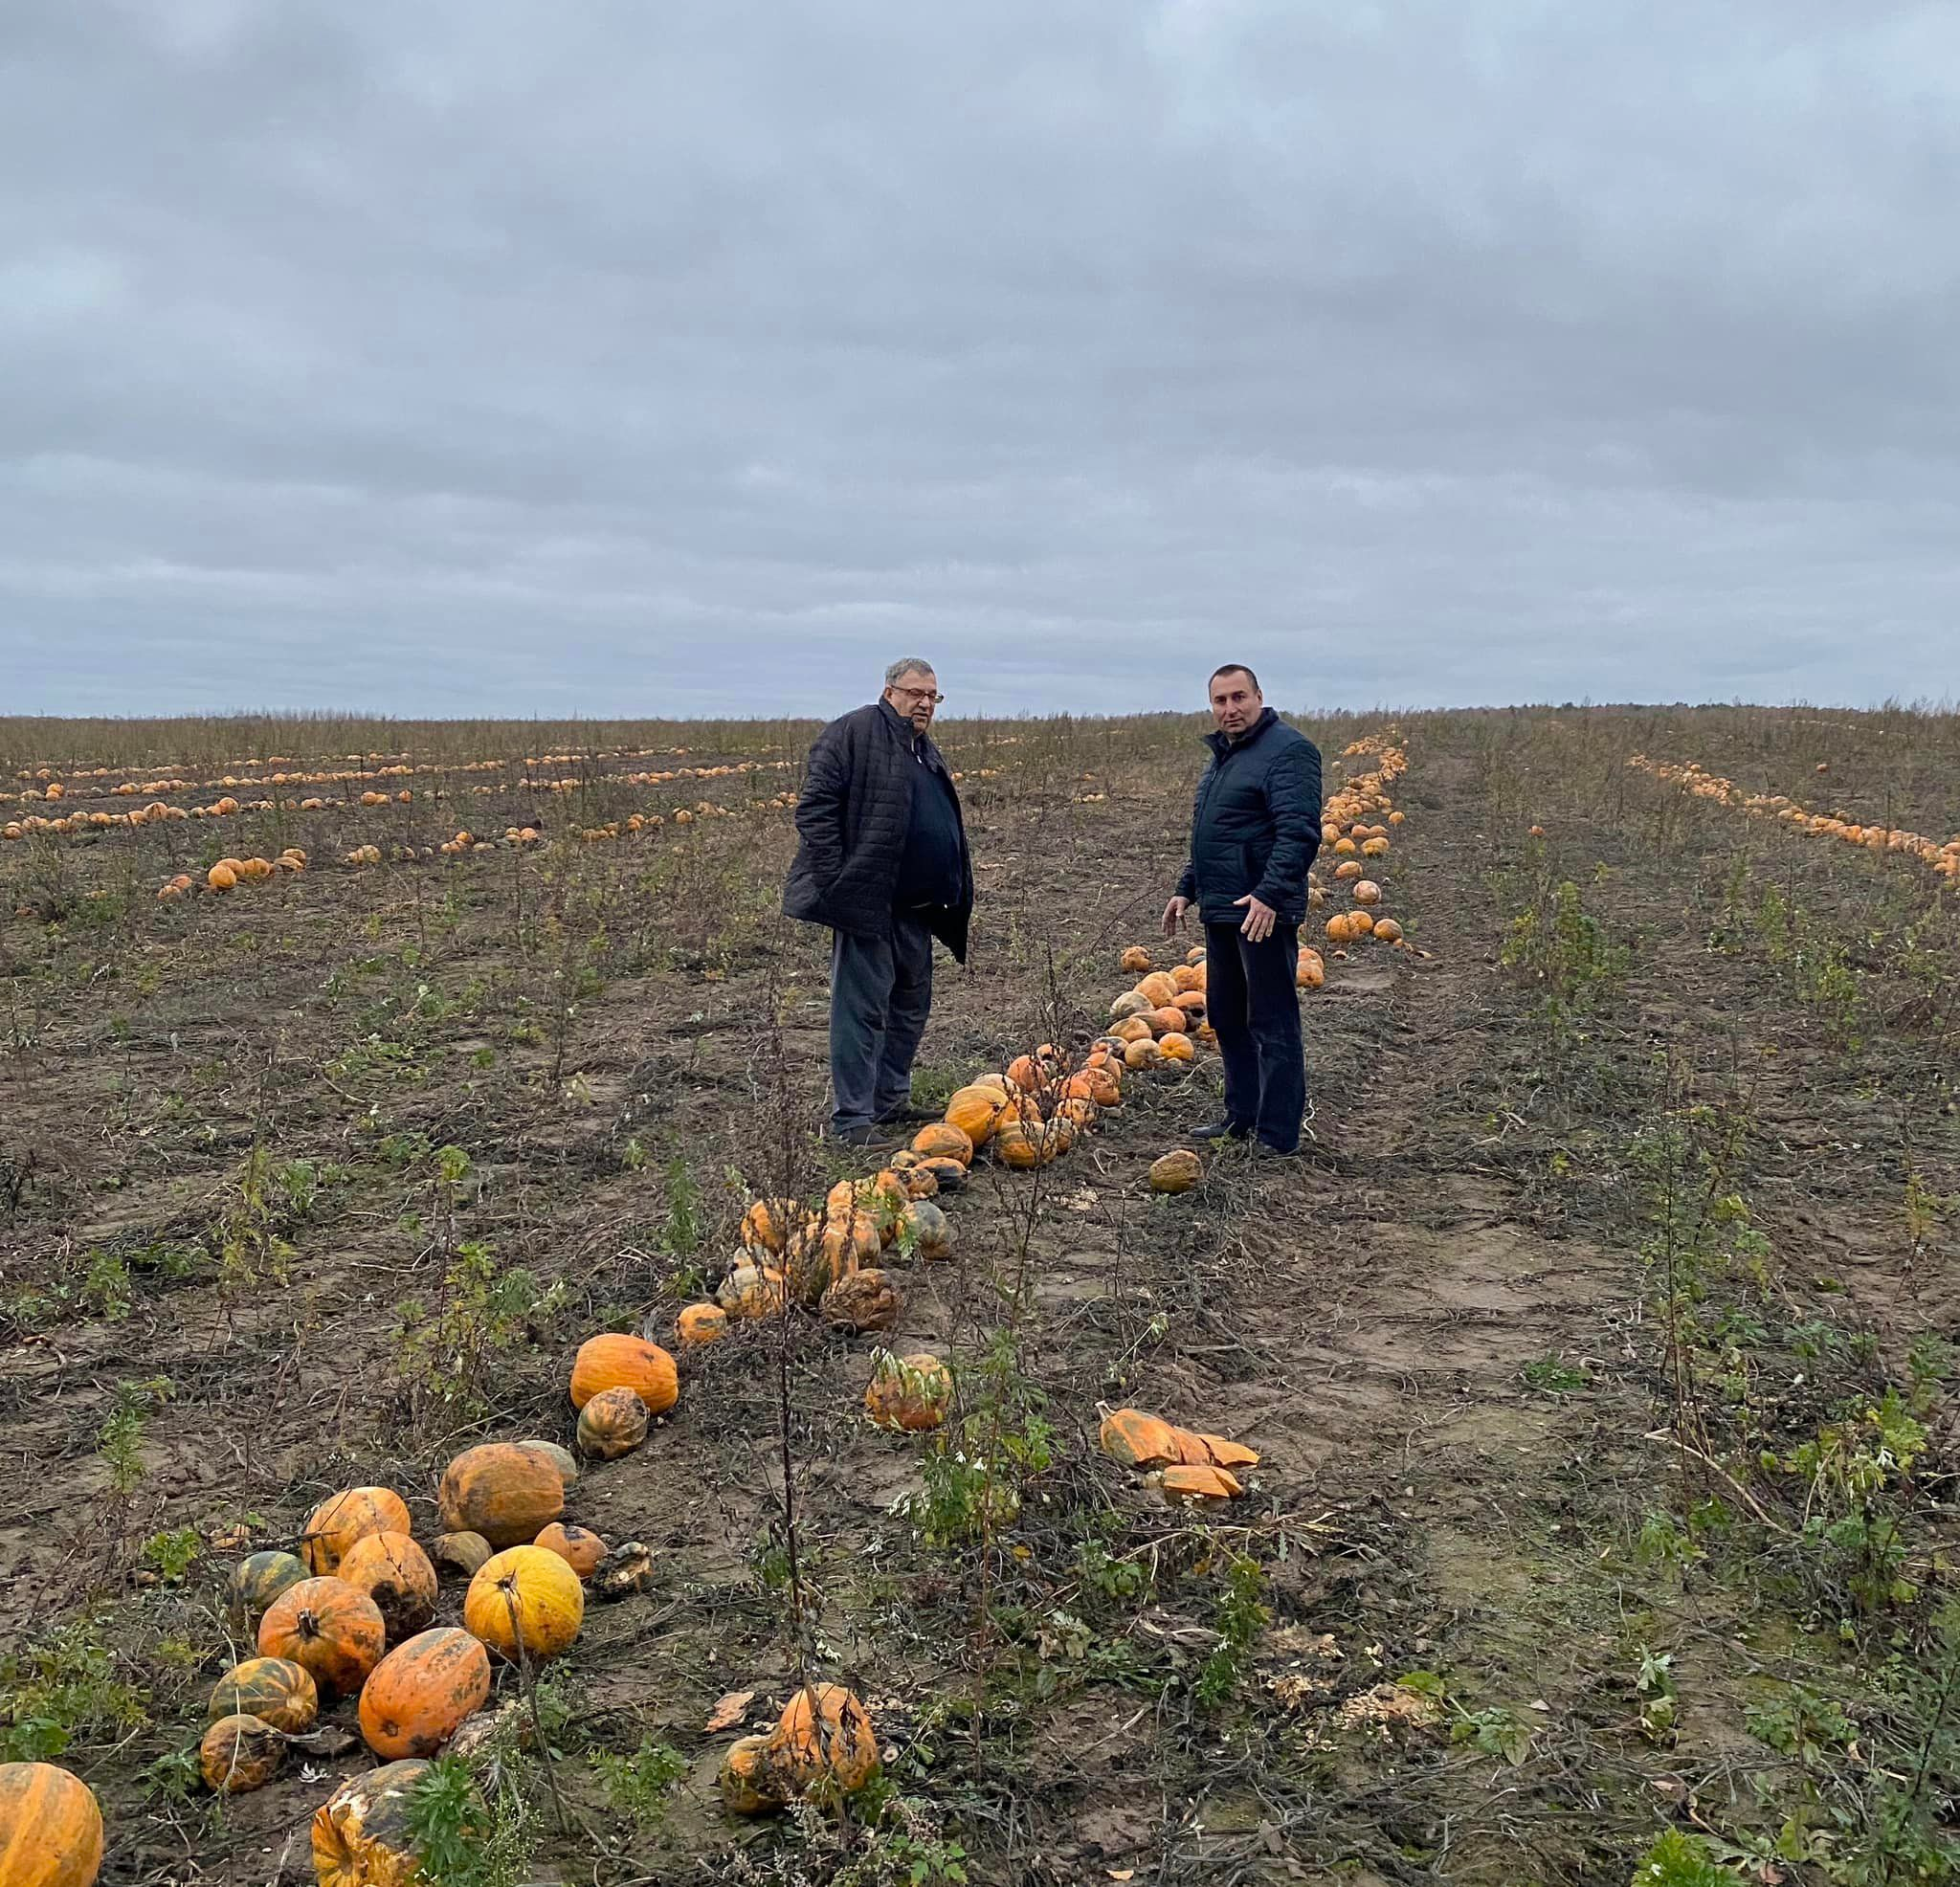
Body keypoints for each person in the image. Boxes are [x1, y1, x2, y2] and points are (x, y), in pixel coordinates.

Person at [784, 658, 973, 1148]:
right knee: (862, 1011)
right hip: (870, 903)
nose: (926, 704)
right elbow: (815, 808)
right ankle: (852, 1119)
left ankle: (890, 1099)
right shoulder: (853, 733)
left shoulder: (921, 748)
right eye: (917, 694)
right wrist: (836, 879)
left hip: (918, 907)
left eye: (934, 697)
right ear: (890, 691)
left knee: (910, 1006)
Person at [1162, 664, 1323, 1156]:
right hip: (1223, 908)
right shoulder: (1223, 758)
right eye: (1220, 701)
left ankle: (1277, 1135)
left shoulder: (1290, 752)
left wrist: (1271, 894)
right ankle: (1241, 1115)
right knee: (1227, 1015)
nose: (1229, 709)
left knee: (1272, 1020)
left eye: (1238, 698)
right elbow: (1214, 835)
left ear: (1259, 696)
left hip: (1261, 911)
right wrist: (1187, 887)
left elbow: (1299, 832)